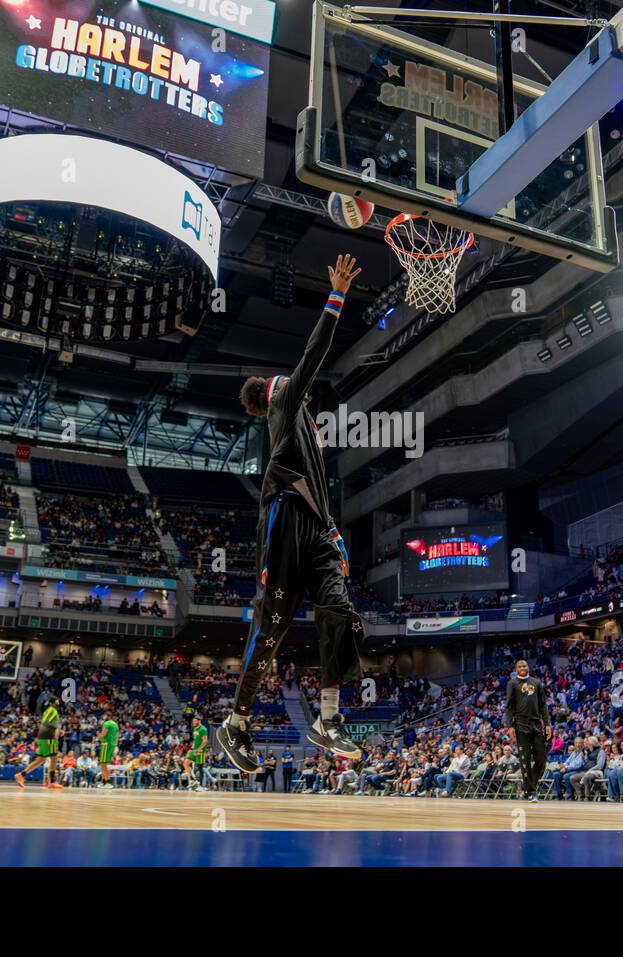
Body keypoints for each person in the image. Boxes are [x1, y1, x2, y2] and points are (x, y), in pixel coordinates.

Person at [217, 255, 366, 774]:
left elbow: (320, 493)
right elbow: (312, 356)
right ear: (268, 396)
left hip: (320, 529)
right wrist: (337, 296)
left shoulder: (301, 425)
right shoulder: (283, 401)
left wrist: (334, 534)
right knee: (273, 627)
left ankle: (328, 716)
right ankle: (236, 723)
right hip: (284, 522)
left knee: (340, 611)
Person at [505, 659, 551, 801]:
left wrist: (547, 723)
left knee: (541, 759)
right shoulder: (512, 683)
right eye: (519, 666)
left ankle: (528, 786)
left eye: (524, 665)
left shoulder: (536, 683)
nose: (522, 667)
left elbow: (543, 704)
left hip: (537, 724)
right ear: (516, 669)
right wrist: (510, 725)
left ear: (528, 667)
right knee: (524, 759)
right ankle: (531, 791)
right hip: (520, 724)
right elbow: (509, 706)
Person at [16, 694, 64, 790]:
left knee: (41, 760)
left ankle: (21, 775)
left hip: (42, 736)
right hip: (48, 736)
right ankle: (52, 782)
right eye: (57, 701)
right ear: (53, 703)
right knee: (54, 758)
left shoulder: (47, 710)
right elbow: (47, 723)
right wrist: (58, 731)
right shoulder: (53, 711)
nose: (58, 702)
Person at [183, 715, 209, 792]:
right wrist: (191, 749)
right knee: (186, 763)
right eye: (193, 721)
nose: (193, 722)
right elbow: (195, 740)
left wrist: (199, 749)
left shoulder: (203, 729)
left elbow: (205, 741)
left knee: (200, 768)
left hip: (200, 752)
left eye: (194, 721)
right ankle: (193, 780)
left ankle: (201, 786)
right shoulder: (195, 729)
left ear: (199, 721)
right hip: (194, 750)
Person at [97, 710, 120, 789]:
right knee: (104, 764)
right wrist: (115, 746)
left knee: (103, 764)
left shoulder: (106, 723)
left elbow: (103, 734)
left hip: (106, 744)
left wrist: (98, 736)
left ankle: (107, 782)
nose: (103, 717)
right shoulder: (116, 724)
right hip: (112, 745)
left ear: (107, 716)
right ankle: (103, 782)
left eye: (104, 716)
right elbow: (117, 736)